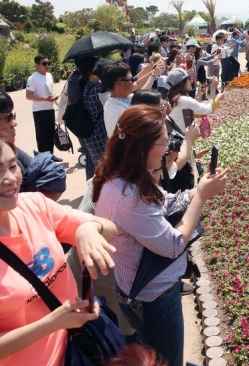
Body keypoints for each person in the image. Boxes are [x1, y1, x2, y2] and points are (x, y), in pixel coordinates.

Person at [0, 127, 117, 365]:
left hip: (78, 348)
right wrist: (51, 323)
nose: (11, 178)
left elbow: (110, 228)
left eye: (12, 166)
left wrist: (87, 229)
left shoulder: (34, 205)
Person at [92, 105, 228, 366]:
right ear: (141, 146)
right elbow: (174, 245)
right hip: (154, 300)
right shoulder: (128, 197)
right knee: (167, 361)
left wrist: (196, 189)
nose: (168, 150)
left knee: (156, 354)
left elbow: (164, 201)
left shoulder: (119, 175)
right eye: (163, 143)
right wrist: (200, 196)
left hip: (137, 290)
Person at [0, 85, 66, 201]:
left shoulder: (5, 148)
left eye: (12, 166)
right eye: (7, 118)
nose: (14, 123)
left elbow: (54, 176)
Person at [26, 54, 61, 162]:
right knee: (42, 136)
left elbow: (50, 92)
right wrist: (45, 99)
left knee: (51, 134)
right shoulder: (33, 78)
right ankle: (43, 160)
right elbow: (28, 96)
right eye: (44, 63)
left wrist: (57, 103)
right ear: (37, 65)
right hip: (39, 111)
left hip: (49, 109)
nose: (47, 65)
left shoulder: (49, 76)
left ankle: (50, 156)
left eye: (48, 63)